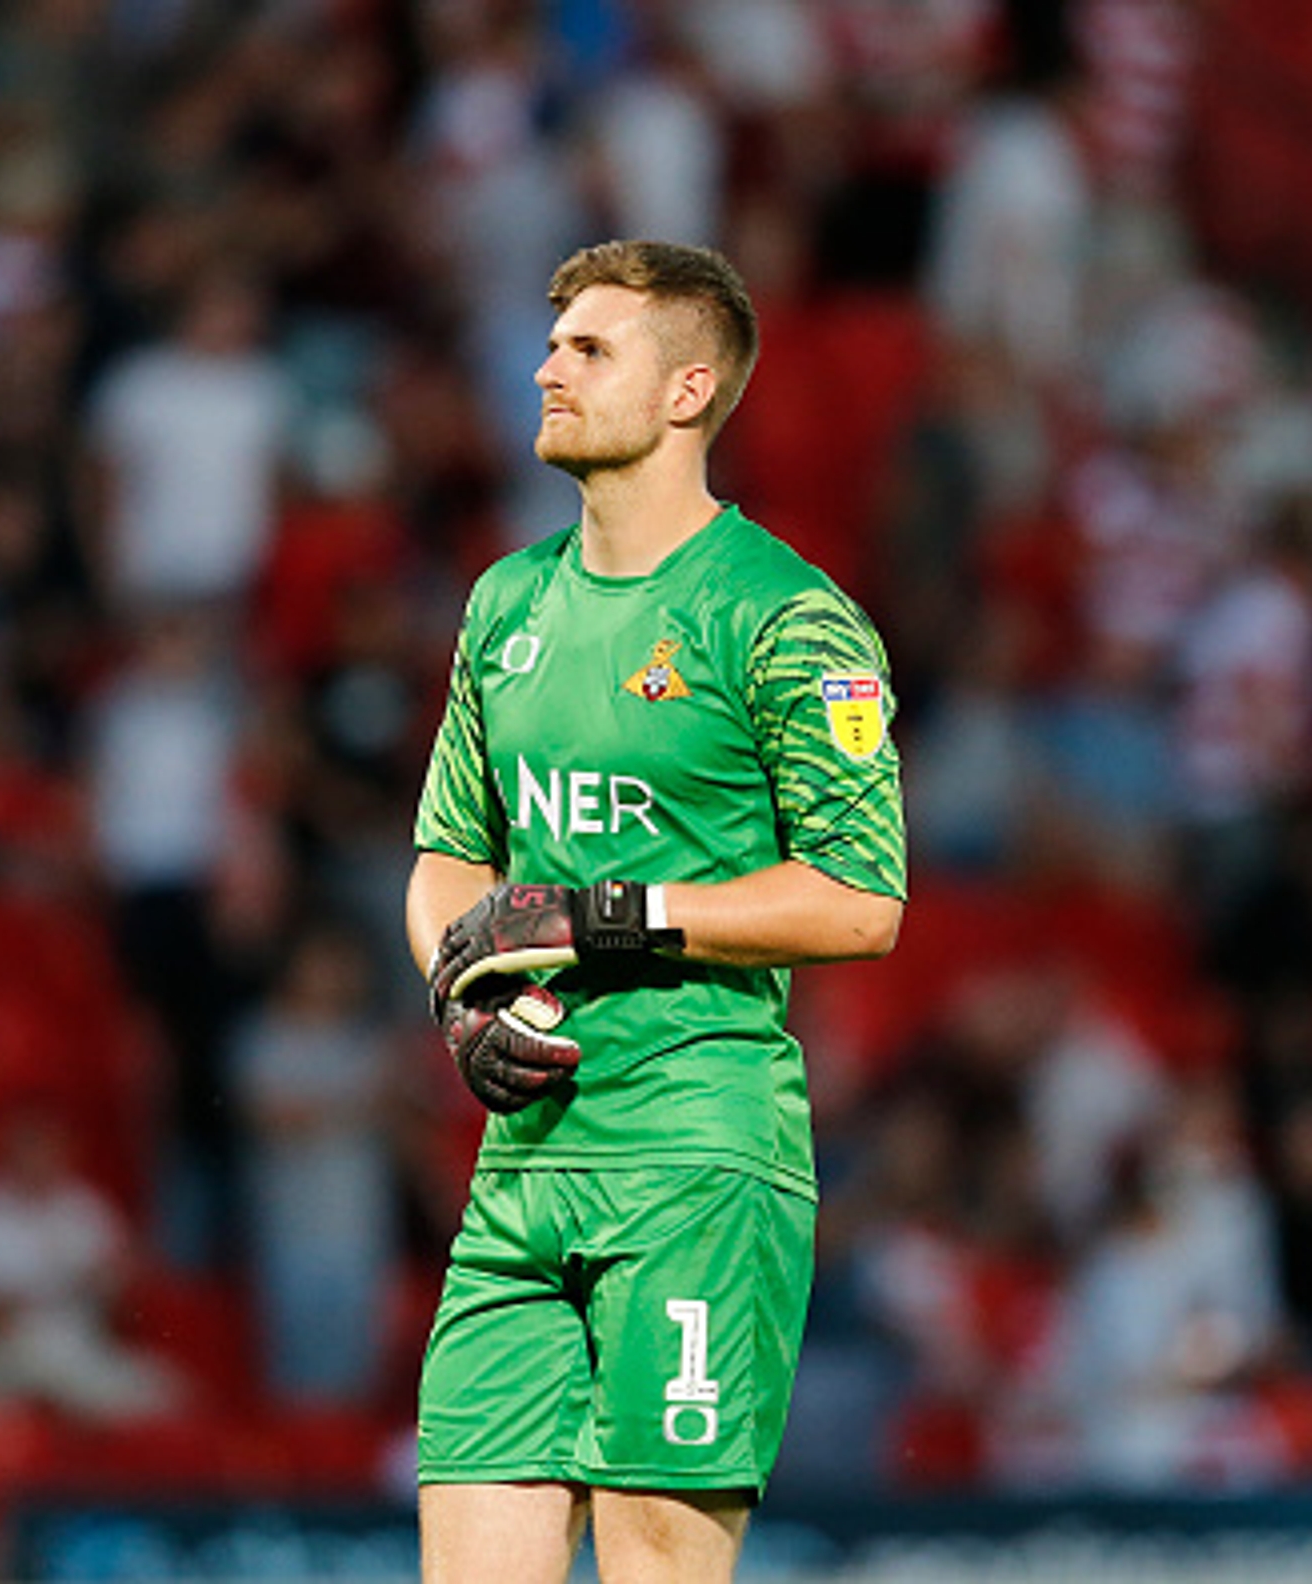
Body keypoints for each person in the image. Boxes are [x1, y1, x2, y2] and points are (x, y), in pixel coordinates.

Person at [404, 240, 906, 1584]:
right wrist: (464, 994)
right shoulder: (505, 606)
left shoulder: (788, 620)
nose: (545, 368)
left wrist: (601, 919)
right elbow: (448, 861)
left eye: (588, 349)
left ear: (688, 392)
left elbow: (861, 901)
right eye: (553, 341)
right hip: (522, 1173)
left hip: (694, 1156)